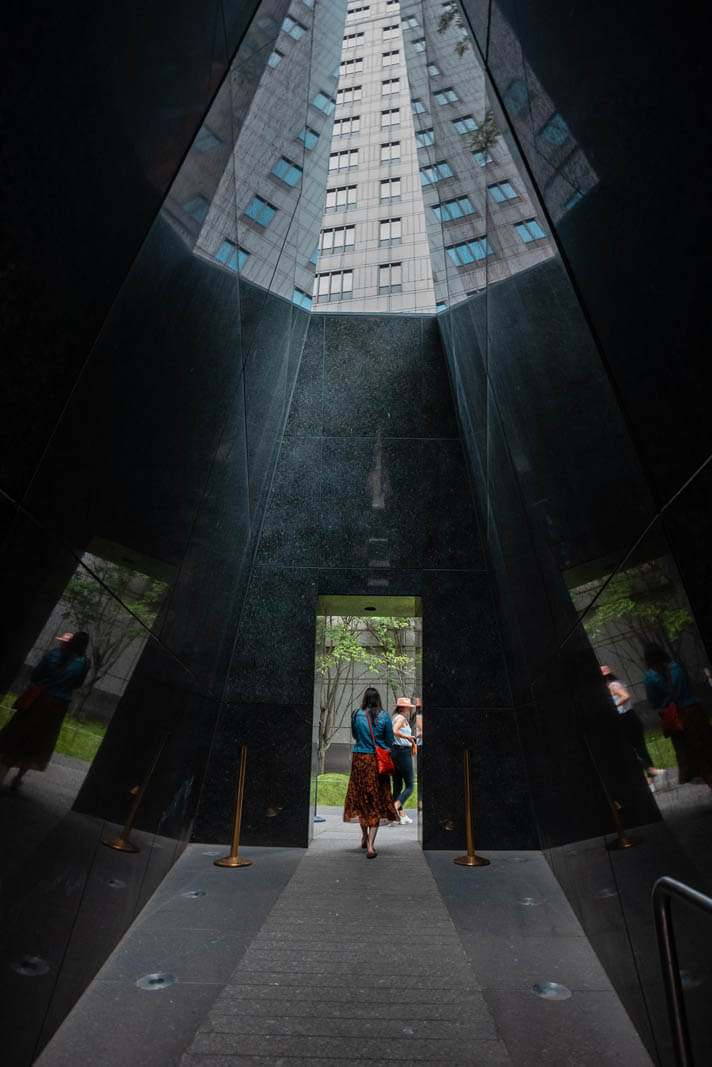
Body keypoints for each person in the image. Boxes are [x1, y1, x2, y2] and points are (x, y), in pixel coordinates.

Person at [0, 632, 90, 790]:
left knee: (18, 733)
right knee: (40, 740)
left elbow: (35, 676)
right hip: (57, 706)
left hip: (39, 699)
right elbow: (77, 684)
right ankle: (20, 776)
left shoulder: (54, 654)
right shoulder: (84, 663)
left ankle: (4, 770)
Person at [642, 644, 712, 791]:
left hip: (676, 720)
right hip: (694, 712)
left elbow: (654, 702)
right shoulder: (677, 667)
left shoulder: (649, 677)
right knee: (706, 746)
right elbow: (689, 686)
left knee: (691, 752)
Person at [343, 686, 399, 857]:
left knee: (361, 798)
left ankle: (364, 836)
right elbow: (390, 740)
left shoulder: (355, 714)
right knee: (375, 799)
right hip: (376, 762)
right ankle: (371, 846)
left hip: (359, 760)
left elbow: (355, 735)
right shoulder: (384, 716)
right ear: (378, 699)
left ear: (364, 699)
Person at [600, 665, 660, 786]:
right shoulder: (618, 683)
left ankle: (649, 772)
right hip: (631, 717)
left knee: (627, 750)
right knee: (640, 748)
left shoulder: (612, 686)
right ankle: (651, 775)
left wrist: (613, 706)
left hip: (625, 719)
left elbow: (625, 696)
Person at [391, 696, 417, 823]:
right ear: (404, 708)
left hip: (395, 752)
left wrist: (411, 741)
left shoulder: (396, 717)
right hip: (402, 753)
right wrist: (408, 738)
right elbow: (394, 731)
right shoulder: (401, 718)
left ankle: (401, 815)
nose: (410, 709)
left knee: (397, 786)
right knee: (410, 786)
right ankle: (392, 809)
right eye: (409, 707)